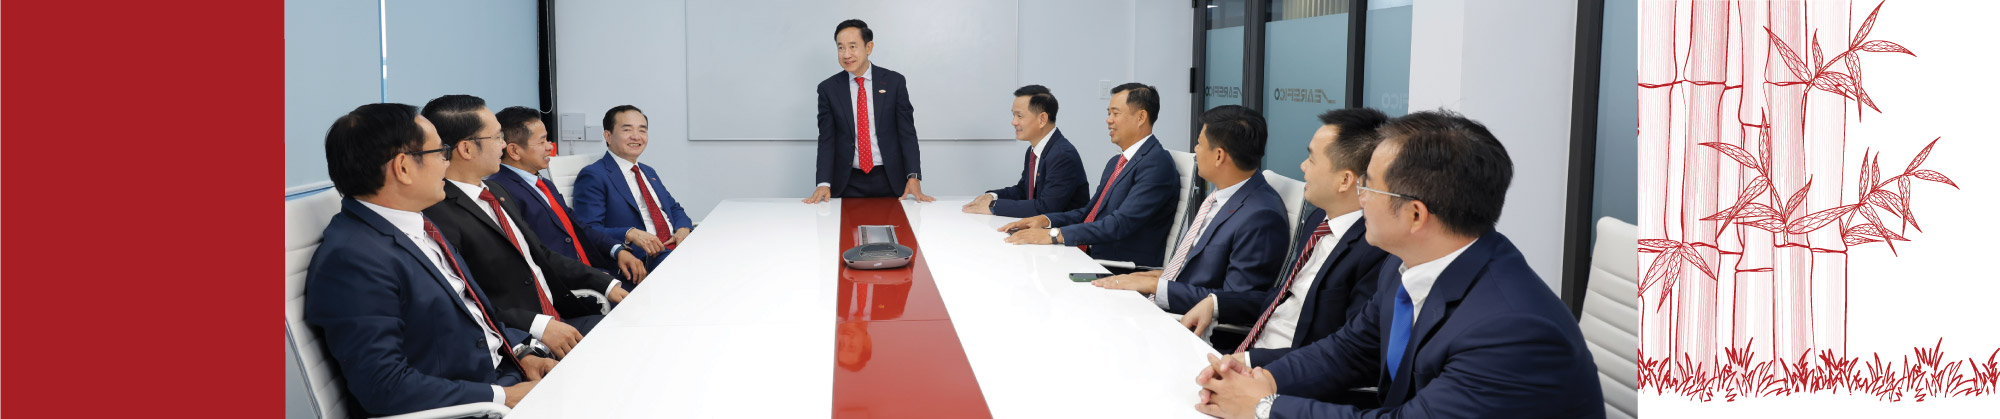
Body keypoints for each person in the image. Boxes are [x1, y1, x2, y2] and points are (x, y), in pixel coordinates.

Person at [1192, 110, 1602, 419]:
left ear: (1415, 215)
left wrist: (1265, 407)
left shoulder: (1511, 330)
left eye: (1369, 186)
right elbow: (1350, 351)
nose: (1360, 198)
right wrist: (1256, 374)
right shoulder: (1406, 265)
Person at [305, 103, 555, 416]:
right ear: (403, 167)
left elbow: (475, 314)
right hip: (471, 404)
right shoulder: (353, 260)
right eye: (440, 152)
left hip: (505, 375)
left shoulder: (418, 223)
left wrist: (522, 354)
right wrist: (503, 396)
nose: (447, 163)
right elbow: (385, 386)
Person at [1180, 109, 1393, 399]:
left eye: (1312, 159)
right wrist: (1216, 303)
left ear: (1344, 180)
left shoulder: (1376, 250)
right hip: (1247, 358)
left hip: (1287, 383)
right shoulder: (1319, 221)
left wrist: (1252, 363)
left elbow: (1350, 354)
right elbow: (1280, 298)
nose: (1302, 166)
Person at [419, 95, 628, 359]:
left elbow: (541, 254)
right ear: (467, 149)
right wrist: (538, 326)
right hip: (523, 339)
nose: (503, 145)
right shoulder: (438, 214)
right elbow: (467, 300)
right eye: (497, 137)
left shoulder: (496, 191)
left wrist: (607, 284)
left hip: (561, 316)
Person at [1090, 105, 1288, 317]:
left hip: (1183, 323)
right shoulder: (1220, 197)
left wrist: (1156, 287)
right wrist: (1151, 278)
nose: (1195, 150)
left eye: (1200, 143)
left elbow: (1231, 302)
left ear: (1219, 156)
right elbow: (1195, 272)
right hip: (1165, 302)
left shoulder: (1261, 217)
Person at [998, 83, 1180, 269]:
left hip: (1117, 268)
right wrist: (1046, 220)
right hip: (1089, 255)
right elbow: (1089, 214)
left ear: (1141, 117)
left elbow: (1120, 224)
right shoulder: (1116, 162)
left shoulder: (1156, 163)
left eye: (1115, 113)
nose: (1108, 120)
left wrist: (1054, 234)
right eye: (1108, 113)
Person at [485, 106, 649, 284]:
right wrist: (599, 281)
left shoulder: (543, 184)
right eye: (542, 142)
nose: (550, 147)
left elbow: (580, 227)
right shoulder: (501, 191)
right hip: (569, 284)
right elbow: (537, 255)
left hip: (595, 271)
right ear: (514, 151)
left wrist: (617, 250)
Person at [803, 19, 932, 203]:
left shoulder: (894, 82)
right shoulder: (828, 89)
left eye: (852, 47)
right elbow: (827, 139)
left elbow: (907, 133)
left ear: (869, 47)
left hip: (890, 179)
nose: (846, 54)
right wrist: (823, 183)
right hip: (847, 182)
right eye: (840, 48)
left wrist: (914, 176)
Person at [571, 105, 693, 269]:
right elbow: (588, 230)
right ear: (608, 136)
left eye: (642, 130)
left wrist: (683, 228)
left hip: (676, 246)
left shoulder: (648, 171)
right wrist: (629, 233)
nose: (636, 136)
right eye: (627, 130)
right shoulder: (594, 175)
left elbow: (673, 208)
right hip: (646, 256)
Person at [962, 85, 1089, 217]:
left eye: (1020, 116)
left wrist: (993, 206)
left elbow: (1047, 208)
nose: (1013, 122)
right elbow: (1023, 191)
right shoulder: (1033, 151)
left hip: (1063, 229)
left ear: (1042, 119)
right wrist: (992, 196)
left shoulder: (1062, 155)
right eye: (1013, 115)